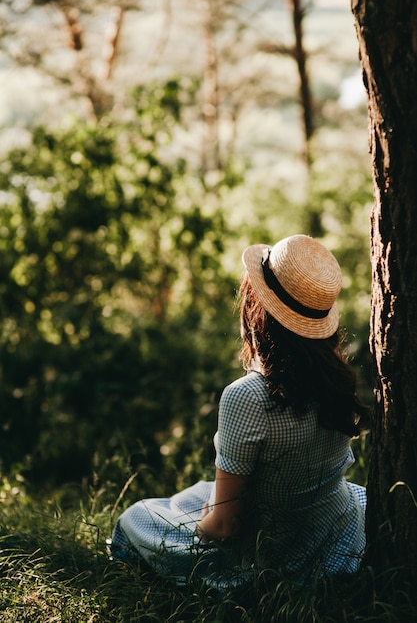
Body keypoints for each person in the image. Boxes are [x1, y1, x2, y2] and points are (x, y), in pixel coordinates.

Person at [110, 234, 369, 590]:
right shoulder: (337, 378)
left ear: (255, 306)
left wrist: (205, 524)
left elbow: (225, 528)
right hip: (336, 528)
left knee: (135, 517)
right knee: (197, 492)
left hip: (276, 550)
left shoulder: (248, 396)